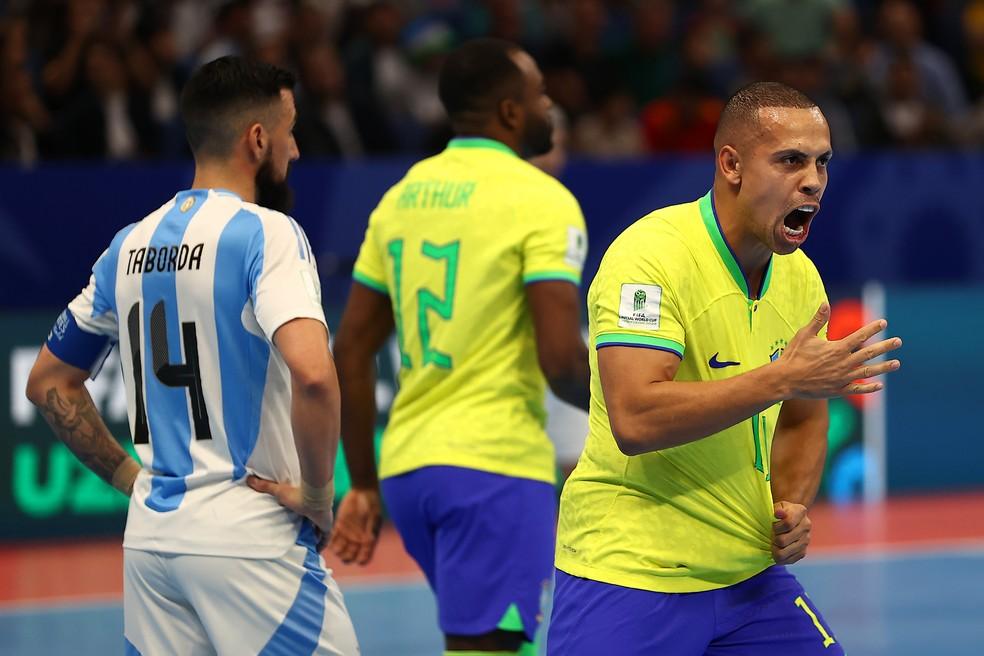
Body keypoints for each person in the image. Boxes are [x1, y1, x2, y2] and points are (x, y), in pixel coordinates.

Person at [547, 81, 903, 655]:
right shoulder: (649, 258)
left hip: (747, 579)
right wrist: (783, 378)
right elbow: (636, 419)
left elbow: (803, 418)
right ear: (731, 165)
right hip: (631, 572)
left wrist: (791, 503)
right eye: (790, 160)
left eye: (821, 162)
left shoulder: (801, 279)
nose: (812, 180)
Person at [25, 56, 359, 655]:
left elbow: (50, 382)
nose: (297, 151)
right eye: (290, 131)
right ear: (257, 139)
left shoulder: (128, 245)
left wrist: (131, 479)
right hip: (250, 543)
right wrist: (316, 495)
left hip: (153, 546)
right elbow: (314, 376)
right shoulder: (269, 233)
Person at [329, 38, 590, 656]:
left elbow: (351, 350)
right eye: (538, 95)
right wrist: (632, 413)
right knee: (488, 648)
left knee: (498, 639)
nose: (549, 105)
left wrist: (361, 482)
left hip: (409, 471)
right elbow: (560, 362)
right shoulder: (542, 200)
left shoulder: (401, 197)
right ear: (508, 112)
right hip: (494, 469)